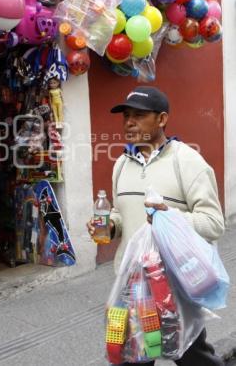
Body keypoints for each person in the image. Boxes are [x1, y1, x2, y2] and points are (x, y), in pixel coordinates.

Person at [87, 86, 225, 366]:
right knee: (132, 357)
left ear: (161, 119)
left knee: (192, 357)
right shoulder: (121, 165)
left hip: (175, 285)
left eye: (139, 115)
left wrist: (170, 217)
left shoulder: (187, 161)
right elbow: (120, 214)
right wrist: (109, 227)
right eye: (126, 116)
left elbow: (213, 224)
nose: (129, 123)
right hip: (132, 285)